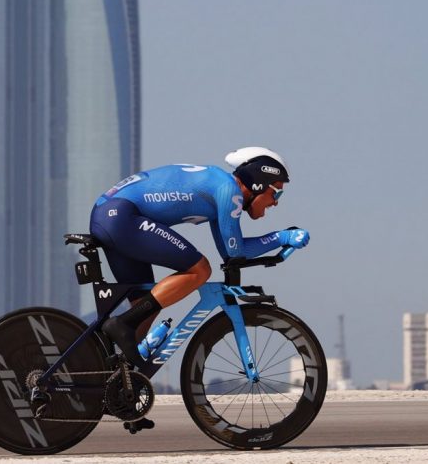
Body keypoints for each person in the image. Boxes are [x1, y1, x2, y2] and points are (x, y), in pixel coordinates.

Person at [90, 146, 310, 365]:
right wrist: (281, 238)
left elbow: (229, 252)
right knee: (200, 270)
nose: (276, 201)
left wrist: (279, 238)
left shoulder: (220, 188)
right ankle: (121, 324)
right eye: (277, 192)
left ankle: (113, 374)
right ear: (259, 183)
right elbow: (237, 250)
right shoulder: (228, 191)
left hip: (111, 215)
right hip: (120, 216)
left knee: (144, 306)